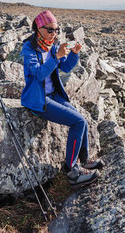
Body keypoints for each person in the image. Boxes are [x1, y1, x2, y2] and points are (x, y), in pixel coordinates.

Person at [20, 10, 103, 188]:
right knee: (78, 122)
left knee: (83, 121)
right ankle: (72, 171)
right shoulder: (29, 48)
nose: (54, 34)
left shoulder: (53, 45)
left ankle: (84, 160)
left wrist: (74, 54)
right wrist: (56, 58)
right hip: (38, 99)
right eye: (50, 30)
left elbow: (65, 68)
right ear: (38, 29)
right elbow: (39, 74)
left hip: (53, 95)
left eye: (57, 30)